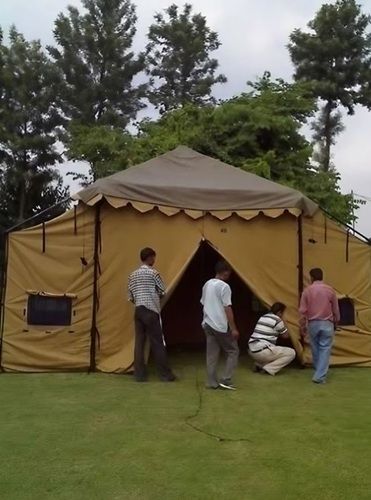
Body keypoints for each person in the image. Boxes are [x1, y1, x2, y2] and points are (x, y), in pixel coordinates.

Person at [128, 247, 176, 382]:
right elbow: (162, 291)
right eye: (154, 257)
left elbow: (130, 296)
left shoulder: (132, 275)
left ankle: (139, 374)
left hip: (138, 310)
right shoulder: (153, 273)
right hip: (151, 310)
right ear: (150, 258)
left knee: (139, 342)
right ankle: (165, 375)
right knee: (157, 343)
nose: (154, 260)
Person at [201, 260, 240, 390]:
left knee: (211, 354)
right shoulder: (224, 287)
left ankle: (211, 382)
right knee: (233, 351)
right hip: (219, 325)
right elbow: (227, 308)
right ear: (225, 272)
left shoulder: (207, 284)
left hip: (207, 323)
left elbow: (203, 302)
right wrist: (233, 328)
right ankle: (226, 379)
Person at [299, 268, 340, 384]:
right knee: (325, 349)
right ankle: (319, 375)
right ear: (322, 276)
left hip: (312, 323)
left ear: (311, 277)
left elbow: (303, 311)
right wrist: (337, 321)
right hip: (327, 323)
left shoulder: (307, 291)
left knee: (315, 349)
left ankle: (319, 372)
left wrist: (302, 326)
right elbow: (336, 309)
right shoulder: (330, 290)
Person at [248, 302, 295, 375]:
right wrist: (284, 321)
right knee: (291, 353)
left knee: (273, 351)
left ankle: (259, 365)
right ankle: (269, 369)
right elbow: (286, 336)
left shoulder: (263, 317)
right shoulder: (277, 320)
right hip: (263, 350)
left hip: (252, 350)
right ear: (279, 312)